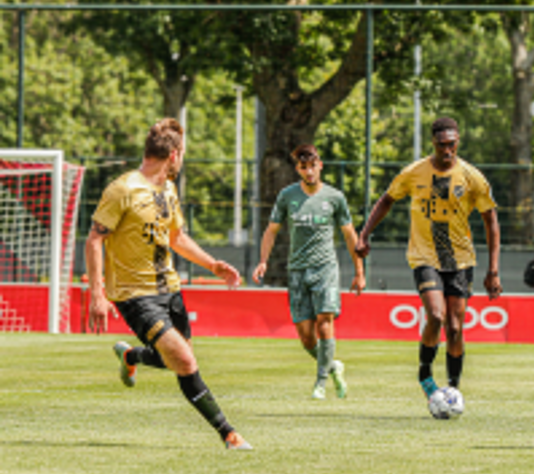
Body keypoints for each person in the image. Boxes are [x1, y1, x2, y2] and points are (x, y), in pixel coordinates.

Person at [85, 118, 251, 450]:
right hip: (134, 295)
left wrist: (213, 264)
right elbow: (93, 241)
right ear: (174, 155)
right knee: (186, 363)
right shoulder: (123, 189)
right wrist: (97, 295)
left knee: (176, 358)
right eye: (184, 153)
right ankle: (229, 434)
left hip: (169, 290)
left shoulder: (169, 190)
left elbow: (176, 238)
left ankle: (131, 356)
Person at [355, 117, 502, 400]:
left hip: (460, 260)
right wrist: (364, 234)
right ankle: (424, 372)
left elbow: (491, 221)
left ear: (458, 142)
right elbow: (387, 199)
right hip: (424, 256)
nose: (447, 150)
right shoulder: (413, 172)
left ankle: (453, 388)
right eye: (441, 145)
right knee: (436, 315)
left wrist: (493, 270)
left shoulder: (472, 177)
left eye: (452, 145)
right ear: (433, 143)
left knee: (456, 328)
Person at [253, 144, 365, 400]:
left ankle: (321, 382)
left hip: (325, 268)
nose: (309, 171)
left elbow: (350, 235)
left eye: (313, 165)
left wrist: (359, 271)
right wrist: (263, 261)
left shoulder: (335, 197)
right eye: (304, 167)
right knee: (306, 336)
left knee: (324, 324)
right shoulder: (287, 196)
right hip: (297, 270)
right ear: (298, 169)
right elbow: (271, 230)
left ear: (320, 165)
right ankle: (333, 365)